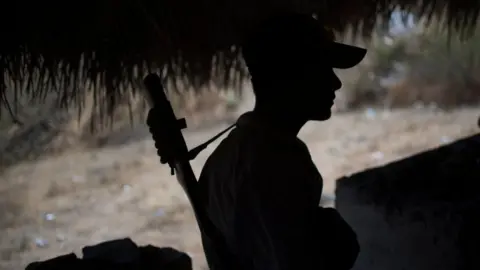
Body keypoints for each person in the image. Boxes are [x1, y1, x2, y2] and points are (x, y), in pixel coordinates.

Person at [148, 12, 366, 270]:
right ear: (289, 76)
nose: (336, 82)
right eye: (322, 69)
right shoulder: (272, 163)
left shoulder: (232, 155)